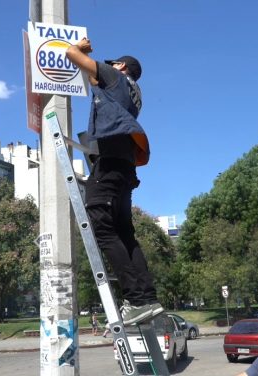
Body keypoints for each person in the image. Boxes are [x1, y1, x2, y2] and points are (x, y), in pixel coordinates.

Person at [66, 39, 163, 326]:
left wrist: (80, 46)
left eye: (114, 63)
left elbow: (72, 55)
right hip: (126, 167)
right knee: (125, 233)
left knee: (103, 229)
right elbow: (94, 77)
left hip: (109, 165)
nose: (109, 66)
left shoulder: (115, 76)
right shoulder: (134, 91)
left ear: (121, 66)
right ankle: (147, 298)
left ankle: (135, 298)